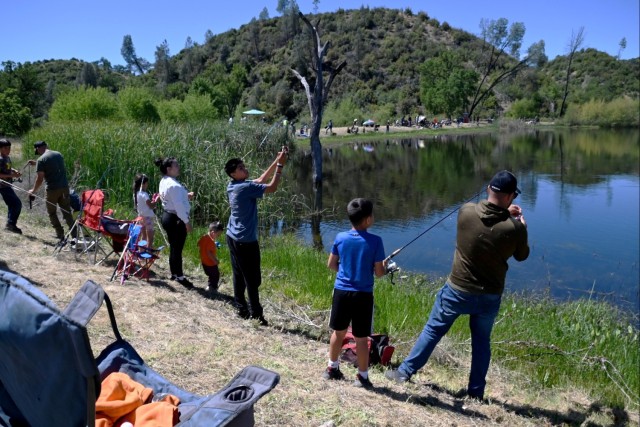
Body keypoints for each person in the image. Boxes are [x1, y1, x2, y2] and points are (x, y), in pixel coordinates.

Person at [385, 170, 530, 401]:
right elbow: (522, 255)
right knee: (481, 343)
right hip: (489, 296)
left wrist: (504, 213)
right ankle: (475, 394)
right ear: (511, 196)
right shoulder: (514, 229)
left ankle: (404, 373)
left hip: (457, 290)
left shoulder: (465, 212)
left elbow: (484, 214)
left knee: (433, 331)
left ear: (488, 190)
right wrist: (519, 223)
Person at [323, 198, 388, 389]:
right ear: (367, 220)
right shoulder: (376, 241)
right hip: (363, 295)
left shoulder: (340, 237)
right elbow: (379, 273)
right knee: (361, 338)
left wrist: (347, 271)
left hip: (342, 292)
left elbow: (331, 265)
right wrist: (384, 266)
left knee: (339, 331)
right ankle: (362, 376)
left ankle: (331, 367)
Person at [224, 147, 288, 326]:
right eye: (241, 168)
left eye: (244, 166)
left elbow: (260, 180)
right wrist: (280, 165)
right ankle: (256, 315)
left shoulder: (234, 185)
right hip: (245, 241)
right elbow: (272, 187)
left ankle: (241, 307)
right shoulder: (245, 187)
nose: (245, 169)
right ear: (233, 174)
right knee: (253, 279)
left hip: (232, 236)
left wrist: (276, 160)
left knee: (239, 274)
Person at [155, 157, 194, 288]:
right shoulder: (174, 185)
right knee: (177, 248)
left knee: (174, 247)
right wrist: (187, 222)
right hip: (177, 219)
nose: (179, 167)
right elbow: (179, 207)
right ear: (168, 169)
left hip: (167, 216)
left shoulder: (164, 181)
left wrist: (185, 196)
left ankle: (174, 273)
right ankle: (180, 276)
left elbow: (171, 197)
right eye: (176, 166)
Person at [28, 141, 76, 242]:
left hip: (52, 190)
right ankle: (75, 235)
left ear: (37, 149)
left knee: (52, 213)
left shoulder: (41, 159)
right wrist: (36, 163)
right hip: (64, 188)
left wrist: (33, 190)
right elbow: (52, 165)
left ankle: (60, 234)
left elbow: (40, 179)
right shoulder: (58, 154)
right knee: (67, 211)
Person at [0, 139, 23, 234]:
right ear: (0, 148)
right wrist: (13, 176)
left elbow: (7, 168)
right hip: (2, 185)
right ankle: (11, 224)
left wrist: (14, 171)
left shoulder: (7, 158)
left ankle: (10, 223)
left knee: (12, 204)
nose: (8, 149)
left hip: (7, 185)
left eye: (9, 147)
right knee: (17, 204)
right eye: (5, 148)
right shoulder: (0, 159)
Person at [197, 221, 224, 295]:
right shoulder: (211, 242)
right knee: (215, 275)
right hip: (210, 263)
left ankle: (210, 286)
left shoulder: (204, 237)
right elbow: (209, 253)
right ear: (213, 232)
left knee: (211, 275)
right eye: (218, 235)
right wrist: (215, 260)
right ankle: (213, 288)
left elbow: (198, 244)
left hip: (204, 262)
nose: (218, 237)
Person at [133, 173, 157, 246]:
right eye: (147, 183)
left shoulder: (136, 194)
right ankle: (148, 252)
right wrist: (156, 200)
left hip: (141, 217)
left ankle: (141, 252)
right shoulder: (144, 194)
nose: (147, 185)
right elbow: (151, 206)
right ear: (143, 184)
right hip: (147, 218)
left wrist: (152, 200)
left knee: (143, 236)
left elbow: (145, 204)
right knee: (150, 237)